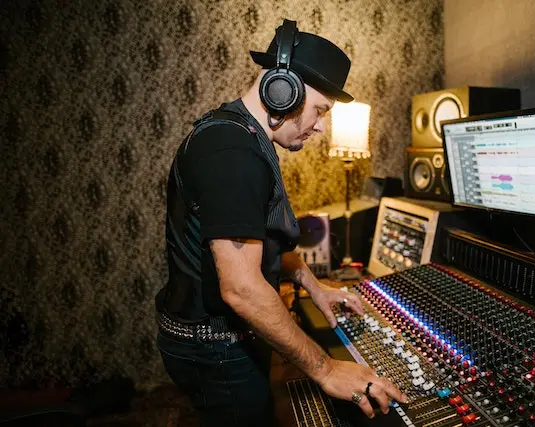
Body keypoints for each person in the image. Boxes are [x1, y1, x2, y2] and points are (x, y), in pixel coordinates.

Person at [154, 19, 407, 426]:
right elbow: (241, 287)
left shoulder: (240, 135)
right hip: (217, 351)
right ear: (282, 89)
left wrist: (313, 284)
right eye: (320, 109)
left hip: (215, 344)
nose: (322, 125)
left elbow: (261, 244)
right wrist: (326, 369)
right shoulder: (233, 152)